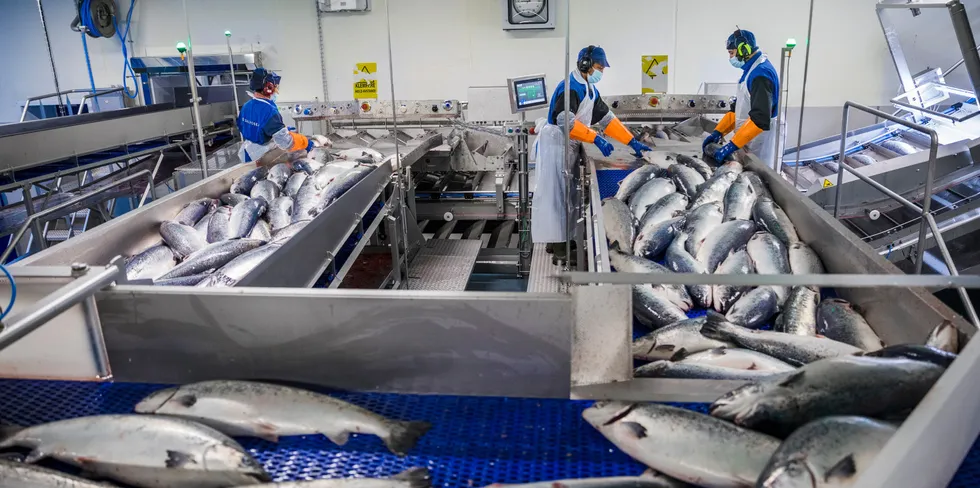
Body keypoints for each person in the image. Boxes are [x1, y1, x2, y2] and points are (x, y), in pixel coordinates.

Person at [532, 45, 652, 264]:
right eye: (598, 67)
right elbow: (564, 121)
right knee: (557, 196)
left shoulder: (588, 89)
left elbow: (607, 119)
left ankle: (557, 241)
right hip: (556, 145)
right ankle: (561, 249)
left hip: (569, 145)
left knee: (566, 195)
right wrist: (595, 138)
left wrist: (632, 141)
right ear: (585, 64)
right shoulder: (571, 88)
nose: (601, 73)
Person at [703, 29, 781, 166]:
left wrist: (731, 145)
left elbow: (760, 119)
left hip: (760, 144)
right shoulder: (750, 71)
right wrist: (718, 132)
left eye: (731, 53)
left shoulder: (761, 75)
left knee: (759, 180)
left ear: (743, 50)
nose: (730, 58)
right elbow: (738, 109)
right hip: (747, 140)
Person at [236, 68, 324, 166]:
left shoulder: (246, 106)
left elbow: (243, 126)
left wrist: (277, 130)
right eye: (275, 88)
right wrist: (306, 142)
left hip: (247, 151)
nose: (275, 92)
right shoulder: (269, 111)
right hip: (263, 157)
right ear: (268, 88)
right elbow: (286, 143)